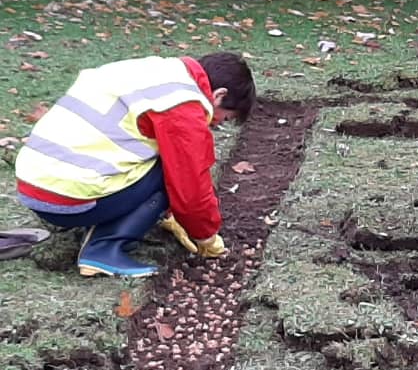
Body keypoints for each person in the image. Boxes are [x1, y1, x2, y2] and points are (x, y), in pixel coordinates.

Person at [14, 52, 255, 278]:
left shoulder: (154, 71)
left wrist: (165, 212)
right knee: (173, 169)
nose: (216, 124)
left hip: (34, 186)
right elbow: (190, 190)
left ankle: (105, 222)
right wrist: (207, 238)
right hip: (68, 197)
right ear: (219, 95)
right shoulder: (183, 105)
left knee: (160, 156)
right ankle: (103, 249)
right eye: (225, 117)